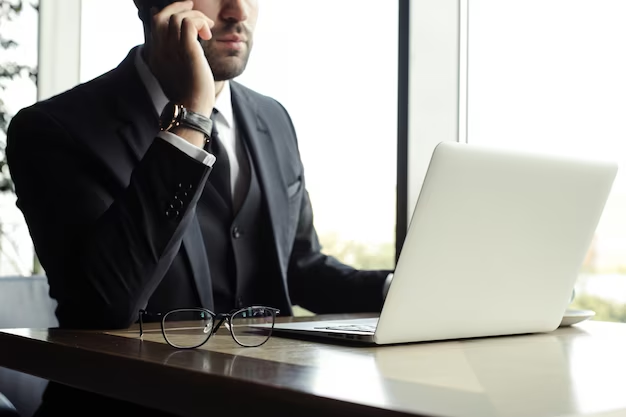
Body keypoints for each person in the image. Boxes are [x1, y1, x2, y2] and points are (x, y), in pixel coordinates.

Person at [7, 0, 392, 331]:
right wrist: (190, 118)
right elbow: (103, 304)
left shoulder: (272, 118)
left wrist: (398, 290)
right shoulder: (54, 130)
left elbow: (299, 268)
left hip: (272, 393)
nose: (238, 11)